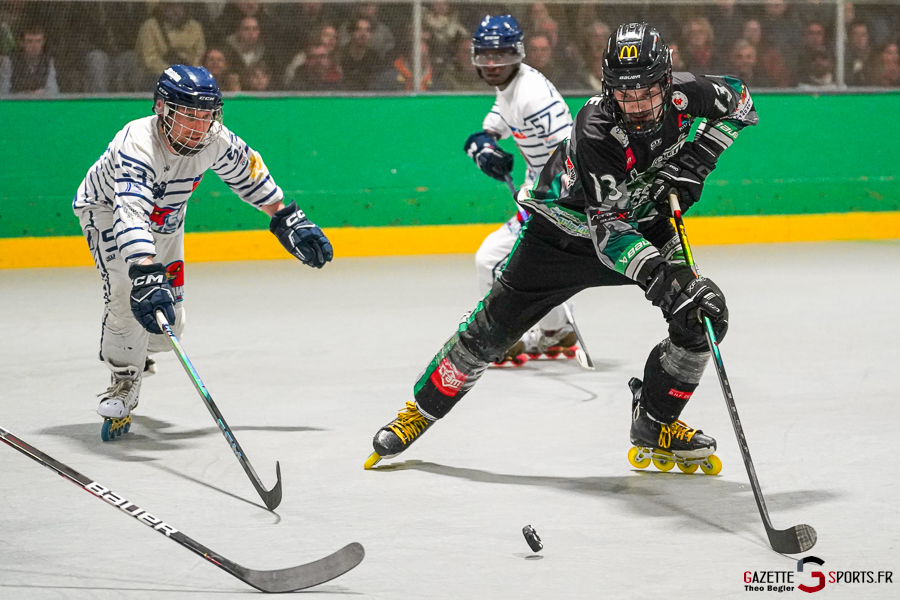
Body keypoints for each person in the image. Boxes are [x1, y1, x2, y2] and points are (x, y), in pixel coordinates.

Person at [364, 23, 758, 474]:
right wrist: (660, 280)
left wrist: (698, 160)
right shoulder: (596, 127)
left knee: (701, 315)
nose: (634, 105)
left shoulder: (692, 93)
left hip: (645, 220)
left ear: (667, 82)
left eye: (645, 92)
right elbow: (608, 229)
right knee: (494, 328)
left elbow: (741, 102)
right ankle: (422, 409)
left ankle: (655, 421)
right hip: (562, 233)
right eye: (622, 94)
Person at [72, 65, 333, 441]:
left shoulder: (214, 139)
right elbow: (130, 211)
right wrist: (144, 272)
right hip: (109, 213)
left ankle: (139, 350)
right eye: (189, 115)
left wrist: (285, 216)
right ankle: (124, 381)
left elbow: (247, 171)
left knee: (168, 319)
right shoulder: (137, 142)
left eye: (207, 116)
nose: (199, 126)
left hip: (166, 220)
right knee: (128, 296)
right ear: (162, 109)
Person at [459, 15, 576, 366]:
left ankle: (498, 338)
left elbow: (572, 153)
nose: (492, 64)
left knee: (490, 258)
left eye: (500, 55)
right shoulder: (510, 88)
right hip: (542, 195)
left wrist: (548, 202)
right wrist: (483, 146)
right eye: (485, 55)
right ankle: (556, 331)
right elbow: (492, 126)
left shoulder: (532, 96)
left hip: (557, 199)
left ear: (517, 54)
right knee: (536, 267)